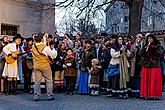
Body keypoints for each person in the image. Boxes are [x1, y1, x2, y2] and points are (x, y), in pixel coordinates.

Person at [32, 33, 57, 101]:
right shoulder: (44, 47)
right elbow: (53, 55)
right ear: (42, 39)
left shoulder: (33, 46)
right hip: (45, 65)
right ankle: (50, 95)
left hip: (36, 65)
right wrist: (53, 49)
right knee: (49, 80)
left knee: (37, 81)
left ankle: (36, 96)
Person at [140, 34, 162, 100]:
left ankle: (154, 94)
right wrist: (144, 50)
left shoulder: (157, 46)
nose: (150, 40)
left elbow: (159, 54)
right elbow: (140, 54)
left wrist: (152, 48)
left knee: (154, 80)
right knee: (146, 80)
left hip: (154, 64)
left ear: (153, 39)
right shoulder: (145, 45)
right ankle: (146, 94)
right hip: (146, 64)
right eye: (148, 39)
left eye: (151, 39)